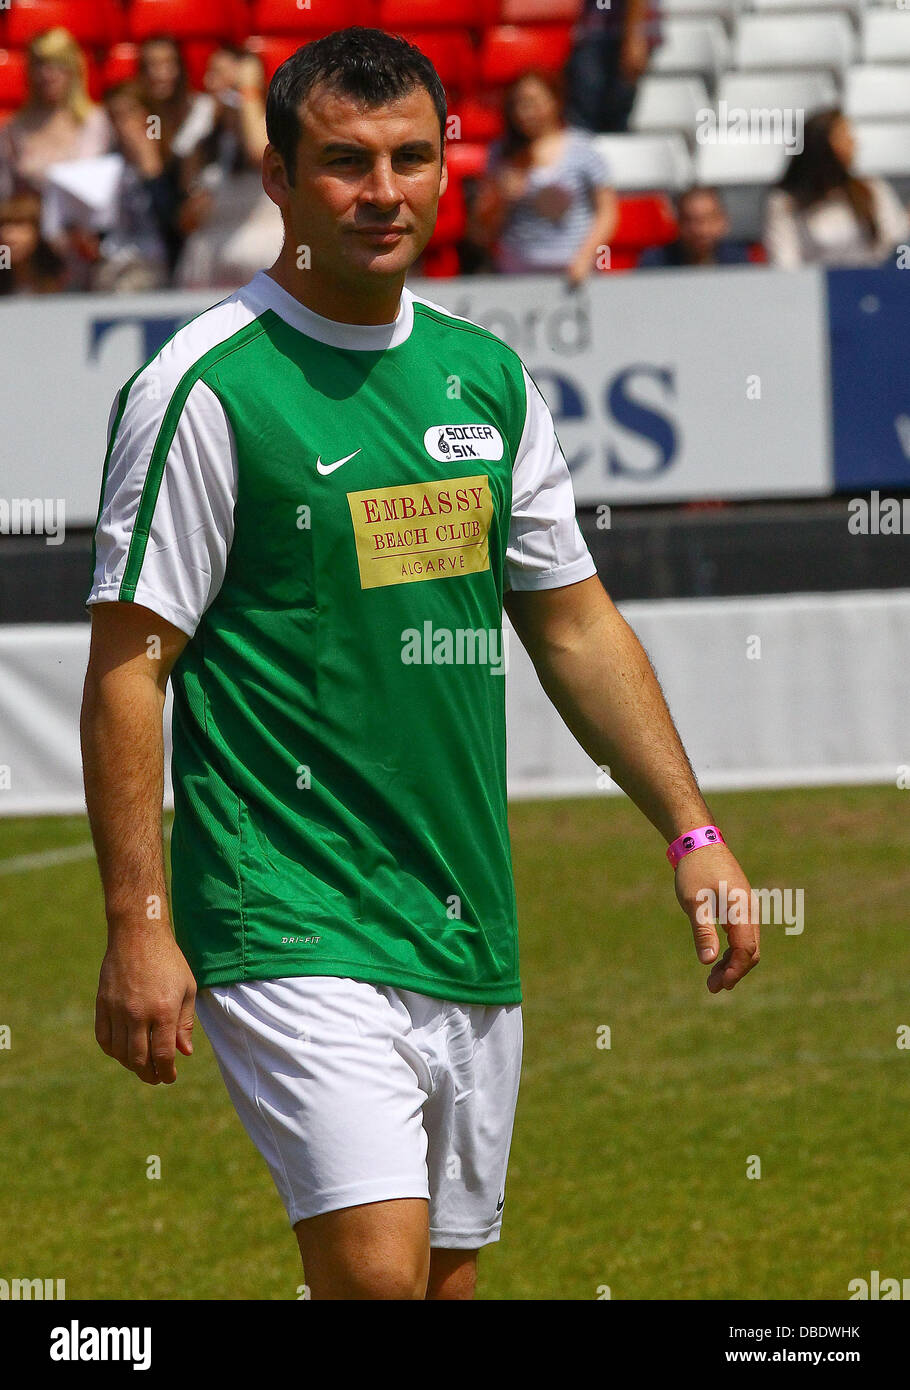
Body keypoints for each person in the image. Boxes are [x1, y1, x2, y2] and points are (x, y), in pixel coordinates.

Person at [82, 26, 759, 1302]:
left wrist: (691, 833)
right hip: (285, 907)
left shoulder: (486, 378)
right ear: (277, 179)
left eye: (407, 159)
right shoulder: (207, 388)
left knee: (438, 1289)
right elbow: (131, 664)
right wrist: (139, 925)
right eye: (342, 163)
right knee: (379, 1277)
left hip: (462, 915)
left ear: (448, 168)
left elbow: (573, 623)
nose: (380, 192)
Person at [470, 69, 616, 285]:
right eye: (518, 104)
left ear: (555, 101)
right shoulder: (501, 154)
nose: (525, 112)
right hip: (515, 275)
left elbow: (607, 211)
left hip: (574, 274)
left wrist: (585, 258)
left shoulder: (583, 149)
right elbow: (482, 230)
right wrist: (503, 198)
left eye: (533, 102)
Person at [173, 47, 283, 289]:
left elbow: (259, 154)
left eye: (218, 74)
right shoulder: (208, 133)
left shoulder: (274, 125)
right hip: (209, 263)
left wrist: (247, 92)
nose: (208, 82)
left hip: (261, 260)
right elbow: (186, 211)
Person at [764, 108, 909, 269]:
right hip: (814, 288)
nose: (853, 142)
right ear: (821, 144)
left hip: (874, 284)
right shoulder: (785, 201)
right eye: (844, 136)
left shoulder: (871, 188)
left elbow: (893, 242)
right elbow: (785, 263)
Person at [0, 27, 113, 203]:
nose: (47, 75)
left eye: (57, 65)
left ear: (73, 69)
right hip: (34, 225)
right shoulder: (12, 130)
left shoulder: (98, 122)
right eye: (39, 65)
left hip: (89, 228)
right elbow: (5, 198)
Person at [565, 0, 660, 135]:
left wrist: (634, 36)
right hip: (599, 30)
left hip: (615, 33)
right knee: (590, 116)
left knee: (608, 115)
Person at [638, 187, 751, 268]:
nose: (701, 230)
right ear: (678, 222)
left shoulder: (738, 261)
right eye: (690, 220)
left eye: (709, 219)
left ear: (723, 221)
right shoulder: (656, 263)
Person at [0, 190, 66, 294]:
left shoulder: (61, 276)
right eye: (4, 226)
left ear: (37, 232)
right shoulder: (3, 278)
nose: (10, 237)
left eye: (20, 226)